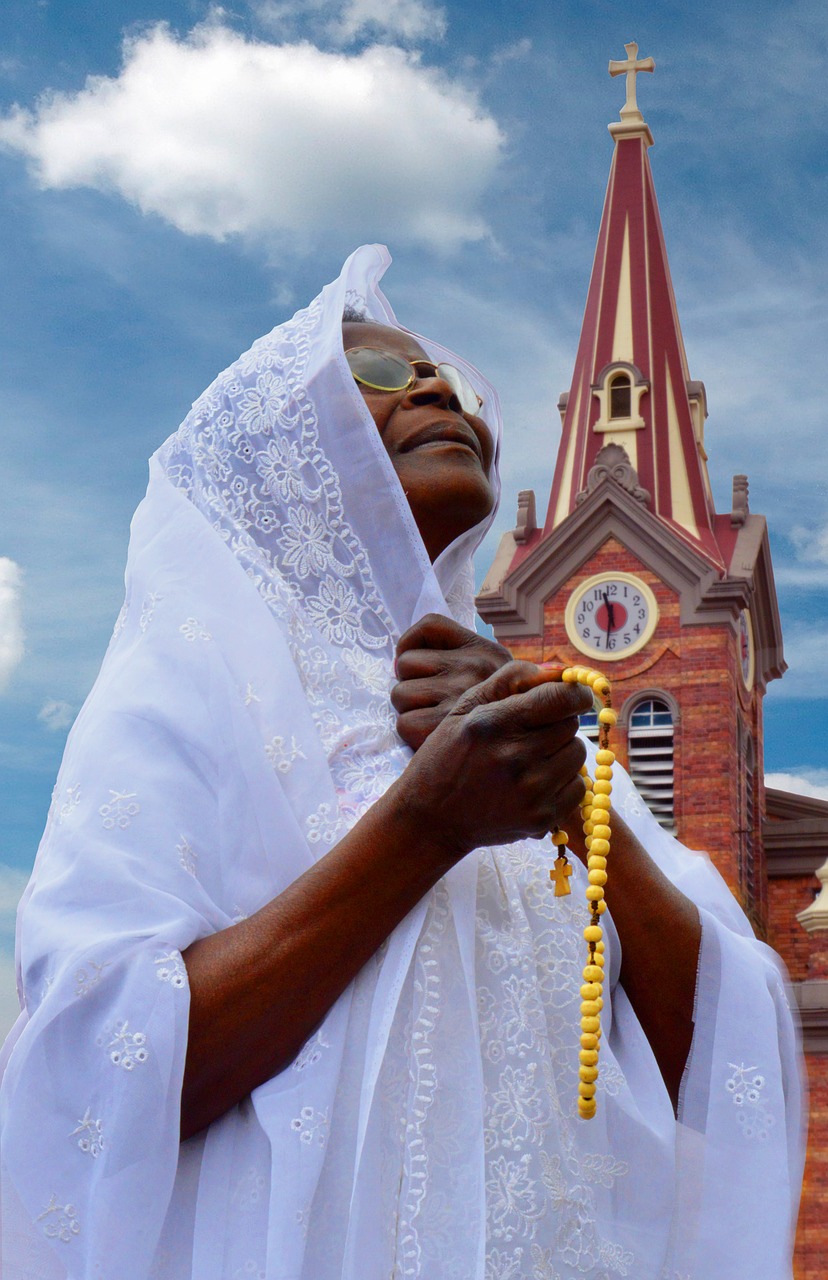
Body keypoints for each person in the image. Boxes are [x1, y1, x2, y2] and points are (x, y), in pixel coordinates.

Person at [0, 245, 804, 1280]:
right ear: (278, 458)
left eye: (449, 381)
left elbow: (723, 1064)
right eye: (373, 375)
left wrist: (569, 794)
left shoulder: (551, 736)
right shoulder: (193, 686)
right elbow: (99, 1076)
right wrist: (424, 827)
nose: (432, 385)